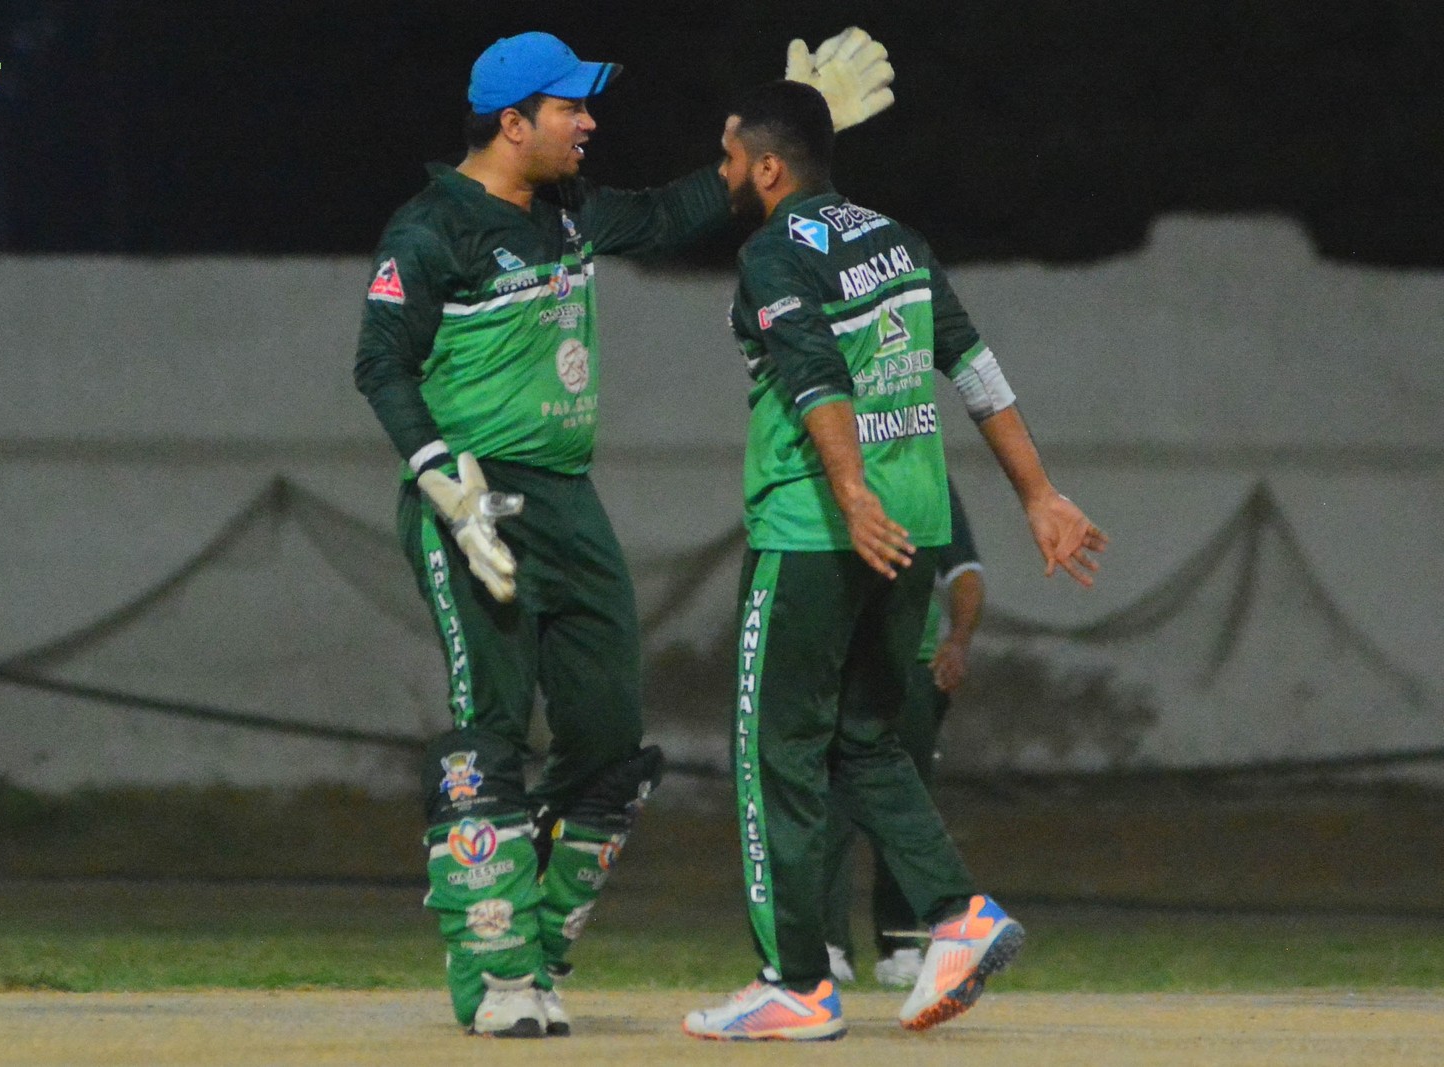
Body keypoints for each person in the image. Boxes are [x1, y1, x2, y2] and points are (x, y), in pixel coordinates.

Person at [352, 32, 895, 1038]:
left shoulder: (567, 208)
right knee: (491, 724)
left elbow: (668, 213)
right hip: (472, 498)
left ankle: (535, 948)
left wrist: (791, 134)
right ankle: (498, 974)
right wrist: (441, 479)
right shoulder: (431, 227)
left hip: (566, 501)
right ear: (513, 122)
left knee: (607, 741)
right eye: (571, 107)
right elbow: (380, 361)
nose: (589, 122)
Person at [682, 80, 1107, 1042]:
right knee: (864, 742)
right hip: (913, 527)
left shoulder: (774, 252)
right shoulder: (897, 240)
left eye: (731, 157)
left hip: (818, 531)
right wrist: (1038, 493)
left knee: (775, 751)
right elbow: (974, 367)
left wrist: (848, 493)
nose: (723, 173)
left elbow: (815, 376)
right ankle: (961, 915)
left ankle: (796, 983)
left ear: (770, 168)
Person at [822, 477, 986, 988]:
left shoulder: (925, 475)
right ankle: (826, 942)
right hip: (834, 661)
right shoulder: (826, 471)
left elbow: (965, 570)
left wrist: (958, 640)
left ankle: (902, 942)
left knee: (902, 796)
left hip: (907, 662)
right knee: (827, 801)